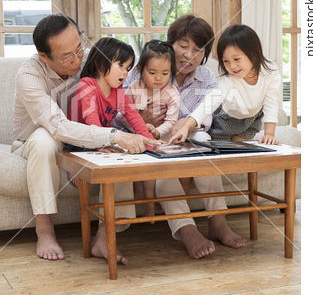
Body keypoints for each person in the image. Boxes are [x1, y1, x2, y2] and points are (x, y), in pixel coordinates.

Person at [11, 14, 157, 263]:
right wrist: (114, 135)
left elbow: (122, 85)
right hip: (33, 141)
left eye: (78, 48)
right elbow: (57, 126)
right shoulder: (29, 75)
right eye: (67, 56)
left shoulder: (92, 58)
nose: (78, 59)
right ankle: (44, 231)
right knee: (46, 138)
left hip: (85, 138)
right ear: (43, 56)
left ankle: (104, 235)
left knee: (123, 148)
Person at [124, 14, 246, 259]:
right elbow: (120, 112)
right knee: (164, 162)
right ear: (170, 45)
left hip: (188, 136)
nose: (189, 55)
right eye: (183, 46)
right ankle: (186, 229)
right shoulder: (147, 69)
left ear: (205, 53)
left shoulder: (207, 77)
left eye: (198, 49)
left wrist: (187, 124)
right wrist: (144, 122)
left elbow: (207, 117)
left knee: (203, 142)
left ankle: (218, 220)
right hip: (151, 138)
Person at [67, 36, 156, 217]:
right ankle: (75, 168)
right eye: (120, 66)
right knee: (112, 148)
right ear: (101, 63)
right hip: (82, 138)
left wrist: (151, 142)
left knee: (132, 139)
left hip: (107, 135)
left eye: (128, 68)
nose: (125, 73)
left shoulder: (118, 90)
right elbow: (91, 120)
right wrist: (102, 145)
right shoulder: (87, 85)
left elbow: (133, 117)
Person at [170, 24, 281, 146]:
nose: (232, 66)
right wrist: (186, 126)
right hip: (226, 119)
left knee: (242, 148)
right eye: (226, 61)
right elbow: (208, 104)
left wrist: (269, 134)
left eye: (237, 59)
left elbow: (271, 102)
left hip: (252, 119)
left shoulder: (270, 70)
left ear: (253, 54)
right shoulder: (229, 81)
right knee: (224, 149)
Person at [115, 39, 180, 217]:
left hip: (160, 137)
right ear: (141, 70)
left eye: (165, 73)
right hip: (134, 135)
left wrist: (157, 131)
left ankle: (150, 205)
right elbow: (120, 116)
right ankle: (140, 196)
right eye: (152, 72)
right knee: (135, 159)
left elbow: (171, 121)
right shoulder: (134, 88)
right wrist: (137, 121)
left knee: (151, 162)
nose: (158, 78)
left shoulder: (172, 92)